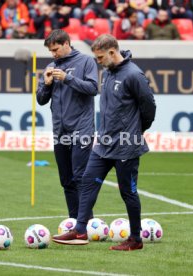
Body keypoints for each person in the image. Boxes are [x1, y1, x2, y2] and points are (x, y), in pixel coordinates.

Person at [52, 34, 156, 251]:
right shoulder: (108, 72)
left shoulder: (134, 75)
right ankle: (80, 230)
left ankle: (136, 239)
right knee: (88, 180)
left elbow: (149, 107)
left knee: (128, 192)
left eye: (100, 57)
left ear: (112, 52)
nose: (97, 62)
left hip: (127, 145)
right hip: (104, 143)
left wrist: (137, 131)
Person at [36, 29, 98, 219]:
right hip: (60, 131)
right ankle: (74, 221)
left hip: (82, 129)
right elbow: (40, 100)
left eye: (55, 49)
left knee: (80, 177)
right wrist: (46, 84)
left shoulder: (86, 61)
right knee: (66, 180)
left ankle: (86, 222)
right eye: (51, 51)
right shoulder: (51, 66)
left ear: (66, 44)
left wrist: (67, 78)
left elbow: (93, 88)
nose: (53, 54)